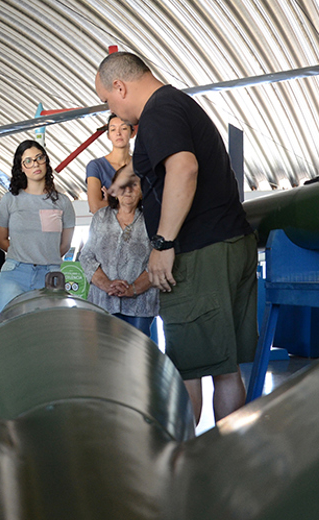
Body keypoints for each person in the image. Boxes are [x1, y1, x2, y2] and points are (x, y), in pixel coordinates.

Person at [96, 52, 257, 424]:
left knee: (188, 369)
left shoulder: (157, 113)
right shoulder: (177, 105)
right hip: (231, 243)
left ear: (120, 87)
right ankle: (226, 463)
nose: (113, 111)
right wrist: (128, 173)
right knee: (225, 366)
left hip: (200, 252)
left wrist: (163, 243)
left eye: (108, 101)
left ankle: (179, 466)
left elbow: (184, 168)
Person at [0, 140, 76, 310]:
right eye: (28, 161)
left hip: (50, 275)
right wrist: (24, 255)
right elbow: (0, 240)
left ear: (46, 161)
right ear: (21, 167)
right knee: (8, 327)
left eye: (39, 158)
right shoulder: (10, 200)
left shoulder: (62, 202)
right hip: (15, 272)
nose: (35, 164)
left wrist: (43, 257)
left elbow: (65, 245)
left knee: (46, 331)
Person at [79, 175, 158, 336]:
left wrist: (133, 289)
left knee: (137, 356)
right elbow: (86, 256)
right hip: (102, 303)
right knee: (103, 356)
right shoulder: (101, 217)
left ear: (143, 191)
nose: (128, 190)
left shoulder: (152, 221)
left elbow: (158, 261)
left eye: (134, 185)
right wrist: (106, 284)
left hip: (140, 307)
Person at [87, 114, 135, 214]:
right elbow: (95, 207)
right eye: (113, 130)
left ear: (132, 133)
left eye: (124, 128)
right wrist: (130, 199)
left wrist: (110, 200)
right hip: (108, 227)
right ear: (108, 136)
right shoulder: (96, 166)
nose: (118, 133)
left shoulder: (141, 165)